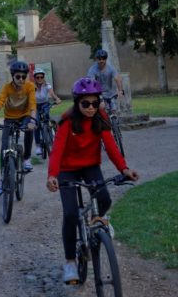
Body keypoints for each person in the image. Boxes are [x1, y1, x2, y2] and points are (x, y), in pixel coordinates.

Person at [46, 77, 139, 284]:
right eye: (86, 104)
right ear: (77, 103)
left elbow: (111, 146)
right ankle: (70, 262)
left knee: (104, 198)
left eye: (95, 103)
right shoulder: (67, 121)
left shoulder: (101, 118)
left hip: (90, 166)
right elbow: (57, 151)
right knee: (70, 214)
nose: (91, 108)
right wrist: (52, 175)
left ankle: (99, 221)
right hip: (67, 170)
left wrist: (124, 169)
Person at [0, 60, 37, 196]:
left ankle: (27, 158)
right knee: (4, 147)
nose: (21, 79)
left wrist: (32, 120)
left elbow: (33, 105)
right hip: (10, 117)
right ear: (13, 76)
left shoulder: (30, 86)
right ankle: (3, 177)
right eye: (18, 77)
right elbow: (0, 102)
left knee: (29, 128)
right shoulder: (6, 88)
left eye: (23, 76)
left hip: (25, 115)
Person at [32, 67, 62, 155]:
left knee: (46, 116)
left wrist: (57, 99)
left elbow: (52, 93)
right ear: (35, 78)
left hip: (45, 103)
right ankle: (38, 146)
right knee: (36, 122)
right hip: (35, 105)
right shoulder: (32, 87)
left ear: (43, 77)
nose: (40, 79)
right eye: (37, 77)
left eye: (41, 77)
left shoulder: (47, 85)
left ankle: (50, 129)